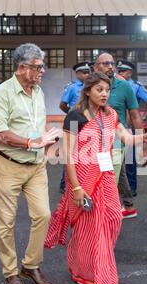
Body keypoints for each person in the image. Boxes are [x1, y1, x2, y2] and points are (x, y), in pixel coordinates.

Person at [44, 72, 147, 284]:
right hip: (83, 178)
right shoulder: (74, 116)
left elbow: (126, 138)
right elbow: (68, 156)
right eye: (99, 89)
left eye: (107, 90)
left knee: (113, 219)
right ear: (88, 91)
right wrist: (77, 188)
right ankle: (93, 273)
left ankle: (87, 264)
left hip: (106, 176)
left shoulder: (110, 114)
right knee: (91, 227)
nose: (104, 94)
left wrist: (143, 137)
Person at [0, 43, 61, 284]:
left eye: (42, 66)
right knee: (5, 222)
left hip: (36, 165)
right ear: (22, 68)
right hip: (8, 165)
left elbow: (36, 127)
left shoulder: (37, 91)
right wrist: (31, 142)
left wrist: (47, 140)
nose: (43, 71)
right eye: (38, 66)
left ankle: (30, 265)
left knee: (43, 215)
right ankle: (10, 272)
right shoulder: (1, 94)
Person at [93, 53, 143, 219]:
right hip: (94, 141)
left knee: (108, 177)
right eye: (105, 63)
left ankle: (107, 214)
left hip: (116, 141)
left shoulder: (124, 86)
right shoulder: (90, 87)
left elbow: (135, 116)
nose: (110, 66)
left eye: (111, 63)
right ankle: (128, 206)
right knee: (116, 174)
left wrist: (142, 145)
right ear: (95, 67)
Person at [116, 60, 147, 197]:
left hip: (129, 129)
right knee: (113, 160)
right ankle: (114, 188)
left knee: (130, 161)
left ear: (129, 73)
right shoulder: (112, 84)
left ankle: (131, 188)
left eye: (122, 71)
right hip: (115, 129)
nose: (119, 73)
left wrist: (143, 117)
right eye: (118, 71)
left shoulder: (136, 86)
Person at [58, 62, 91, 193]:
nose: (87, 75)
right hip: (74, 122)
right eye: (84, 72)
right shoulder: (72, 87)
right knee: (70, 152)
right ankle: (64, 184)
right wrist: (72, 114)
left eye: (88, 72)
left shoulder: (92, 86)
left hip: (88, 122)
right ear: (77, 74)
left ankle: (84, 181)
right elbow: (62, 105)